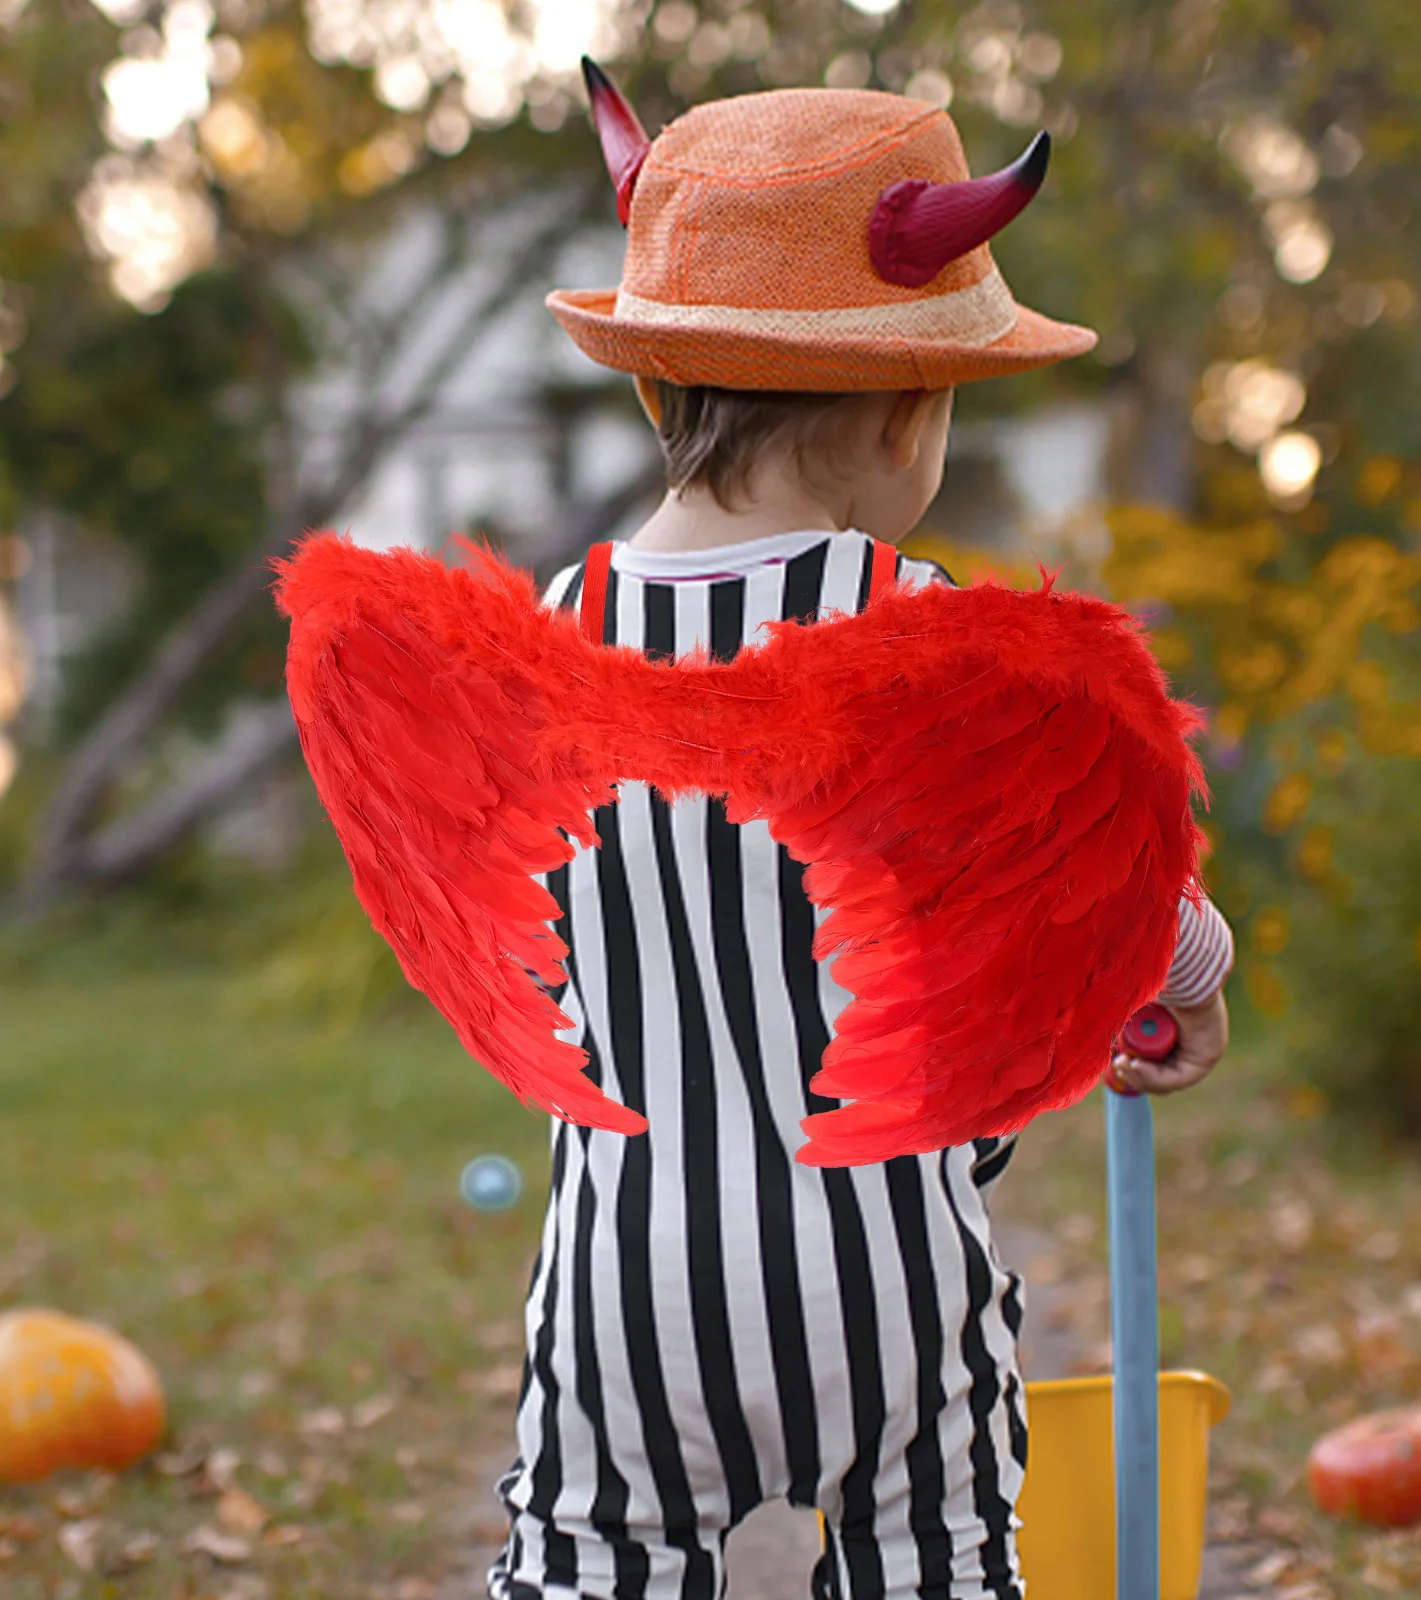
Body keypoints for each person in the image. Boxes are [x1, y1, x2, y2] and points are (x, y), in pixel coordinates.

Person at [487, 64, 1234, 1600]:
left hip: (625, 1283)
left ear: (656, 391)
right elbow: (1106, 878)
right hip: (886, 1280)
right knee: (935, 1563)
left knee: (586, 1564)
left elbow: (512, 923)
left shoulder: (545, 643)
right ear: (910, 417)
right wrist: (1186, 976)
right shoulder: (934, 640)